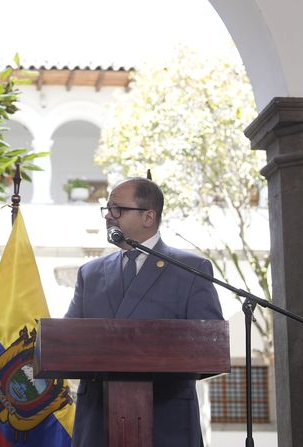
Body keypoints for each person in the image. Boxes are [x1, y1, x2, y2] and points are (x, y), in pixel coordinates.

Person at [65, 177, 223, 447]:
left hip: (165, 415)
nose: (109, 217)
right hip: (97, 419)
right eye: (107, 209)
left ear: (148, 216)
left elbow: (210, 345)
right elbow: (67, 340)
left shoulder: (190, 269)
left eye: (117, 209)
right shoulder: (90, 273)